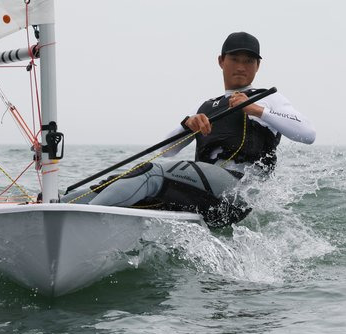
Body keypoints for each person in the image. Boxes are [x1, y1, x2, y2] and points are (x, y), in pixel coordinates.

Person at [83, 32, 316, 227]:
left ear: (258, 66)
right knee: (112, 182)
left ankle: (83, 223)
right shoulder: (208, 107)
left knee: (151, 173)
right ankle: (60, 209)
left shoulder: (267, 99)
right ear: (221, 61)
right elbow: (166, 151)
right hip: (205, 191)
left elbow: (308, 134)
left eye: (249, 61)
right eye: (235, 59)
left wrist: (257, 111)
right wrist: (188, 125)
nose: (242, 66)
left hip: (239, 191)